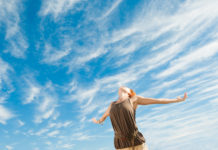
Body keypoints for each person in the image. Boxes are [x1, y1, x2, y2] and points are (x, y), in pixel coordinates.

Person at [92, 86, 188, 150]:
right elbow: (104, 117)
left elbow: (157, 100)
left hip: (137, 141)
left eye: (126, 87)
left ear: (130, 92)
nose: (122, 87)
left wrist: (177, 100)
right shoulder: (112, 105)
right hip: (121, 144)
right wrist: (98, 121)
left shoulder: (134, 99)